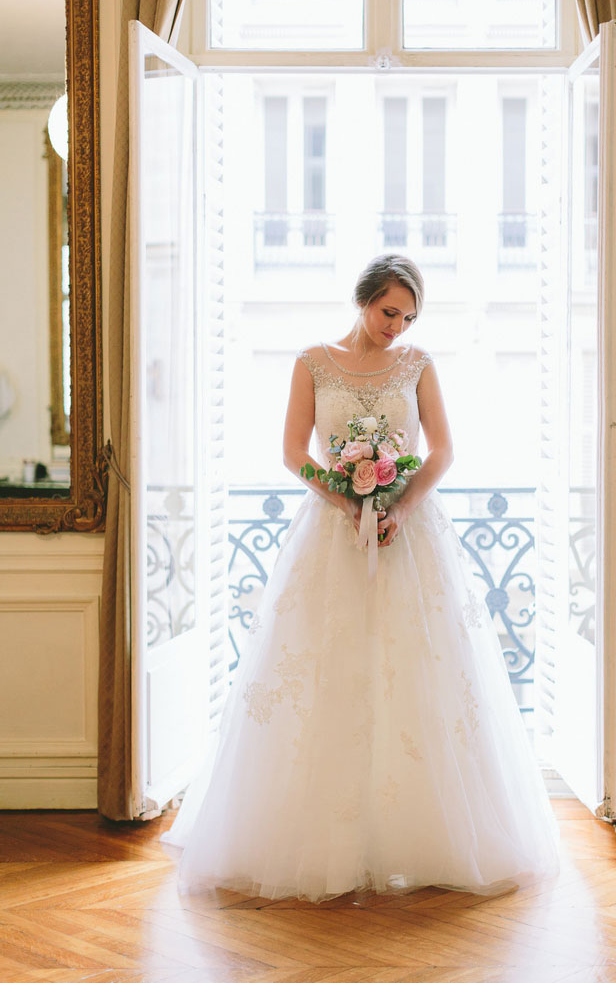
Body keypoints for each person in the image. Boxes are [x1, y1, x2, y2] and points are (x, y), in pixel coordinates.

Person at [161, 254, 559, 902]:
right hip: (332, 533)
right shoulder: (312, 363)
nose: (397, 326)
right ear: (363, 300)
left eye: (408, 316)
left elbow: (442, 452)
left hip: (410, 537)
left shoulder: (419, 365)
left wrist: (397, 505)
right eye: (388, 312)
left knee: (415, 676)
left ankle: (421, 840)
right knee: (330, 673)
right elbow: (293, 453)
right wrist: (346, 499)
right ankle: (329, 842)